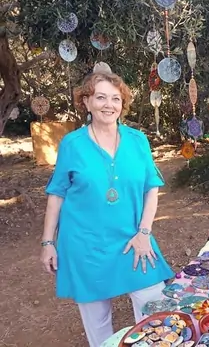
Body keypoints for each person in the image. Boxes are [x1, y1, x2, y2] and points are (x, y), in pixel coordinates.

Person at [40, 70, 174, 347]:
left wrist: (144, 232)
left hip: (133, 240)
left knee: (156, 311)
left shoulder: (138, 140)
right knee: (99, 326)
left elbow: (151, 187)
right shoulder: (72, 144)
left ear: (122, 104)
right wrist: (48, 242)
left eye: (115, 98)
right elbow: (57, 194)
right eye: (100, 97)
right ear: (86, 102)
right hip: (85, 245)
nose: (108, 104)